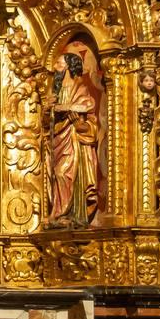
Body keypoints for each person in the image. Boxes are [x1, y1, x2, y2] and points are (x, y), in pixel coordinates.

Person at [45, 51, 100, 229]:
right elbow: (44, 123)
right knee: (56, 176)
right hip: (57, 140)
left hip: (74, 141)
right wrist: (48, 110)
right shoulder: (54, 92)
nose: (55, 67)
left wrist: (79, 125)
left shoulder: (80, 88)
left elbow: (89, 117)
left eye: (59, 63)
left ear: (69, 66)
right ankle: (57, 214)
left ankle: (69, 213)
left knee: (64, 173)